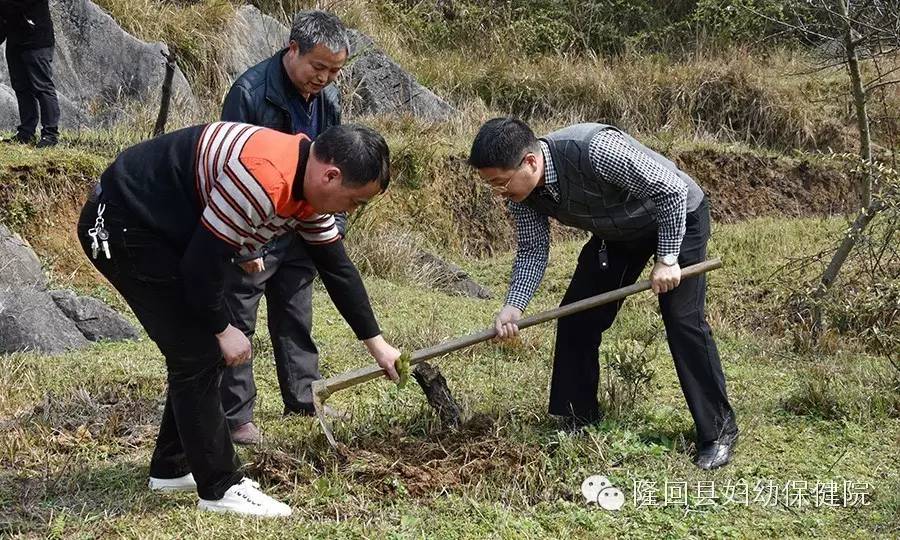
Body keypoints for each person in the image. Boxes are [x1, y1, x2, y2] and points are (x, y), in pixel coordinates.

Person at [77, 121, 401, 516]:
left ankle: (171, 468)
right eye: (354, 201)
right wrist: (222, 328)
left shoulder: (308, 189)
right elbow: (200, 268)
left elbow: (336, 267)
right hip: (120, 222)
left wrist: (376, 343)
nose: (350, 211)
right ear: (331, 175)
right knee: (196, 350)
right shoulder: (264, 176)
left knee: (197, 350)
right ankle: (220, 487)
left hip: (166, 228)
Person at [468, 117, 738, 470]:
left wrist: (668, 257)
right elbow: (533, 251)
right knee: (577, 316)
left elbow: (671, 190)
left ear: (530, 162)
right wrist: (513, 307)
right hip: (620, 232)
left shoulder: (595, 149)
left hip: (676, 215)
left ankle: (718, 431)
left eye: (501, 182)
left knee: (682, 318)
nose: (499, 192)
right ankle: (577, 417)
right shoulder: (522, 196)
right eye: (493, 185)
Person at [219, 10, 349, 445]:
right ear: (292, 49)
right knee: (240, 317)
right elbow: (233, 169)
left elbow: (338, 164)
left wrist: (335, 224)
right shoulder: (250, 92)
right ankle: (237, 418)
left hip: (303, 222)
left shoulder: (327, 100)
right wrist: (245, 246)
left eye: (334, 71)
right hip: (257, 223)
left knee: (296, 314)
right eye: (318, 67)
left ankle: (304, 398)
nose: (325, 78)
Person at [0, 0, 60, 147]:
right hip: (15, 42)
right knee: (21, 88)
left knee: (43, 88)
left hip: (36, 40)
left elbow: (15, 6)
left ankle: (50, 135)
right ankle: (26, 133)